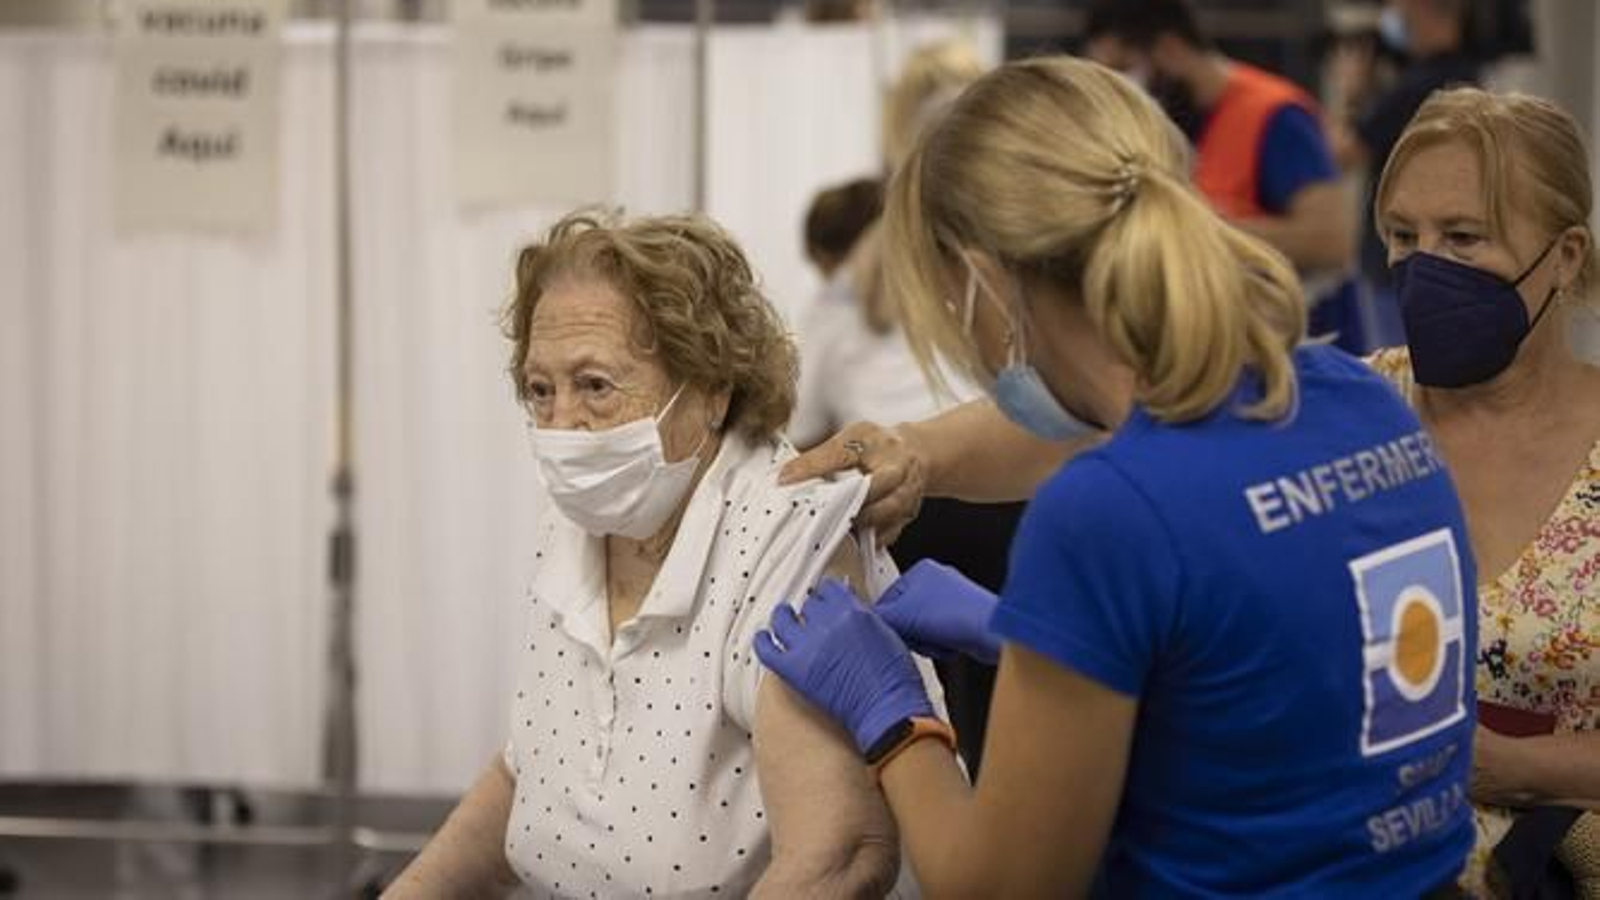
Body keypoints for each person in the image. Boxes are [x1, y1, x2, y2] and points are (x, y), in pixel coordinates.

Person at [758, 56, 1476, 896]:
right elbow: (1255, 673)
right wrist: (925, 458)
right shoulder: (1359, 399)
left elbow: (996, 886)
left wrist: (893, 712)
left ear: (987, 279)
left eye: (950, 306)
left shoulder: (1105, 513)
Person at [386, 211, 947, 898]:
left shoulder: (790, 542)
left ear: (712, 390)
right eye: (540, 390)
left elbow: (839, 857)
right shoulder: (580, 525)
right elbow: (531, 768)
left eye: (595, 386)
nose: (562, 426)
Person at [1366, 87, 1600, 897]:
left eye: (1464, 237)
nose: (1425, 265)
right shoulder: (1351, 419)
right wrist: (940, 454)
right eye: (1403, 236)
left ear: (1566, 257)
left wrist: (1512, 768)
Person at [1082, 0, 1372, 353]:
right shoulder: (1180, 123)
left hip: (1308, 352)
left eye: (1125, 68)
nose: (1126, 89)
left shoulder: (1276, 118)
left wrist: (1191, 226)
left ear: (1169, 48)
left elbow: (1331, 241)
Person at [1331, 0, 1480, 342]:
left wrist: (1352, 93)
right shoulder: (1467, 80)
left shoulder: (1417, 88)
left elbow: (1342, 154)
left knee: (1399, 379)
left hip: (1398, 264)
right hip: (1446, 259)